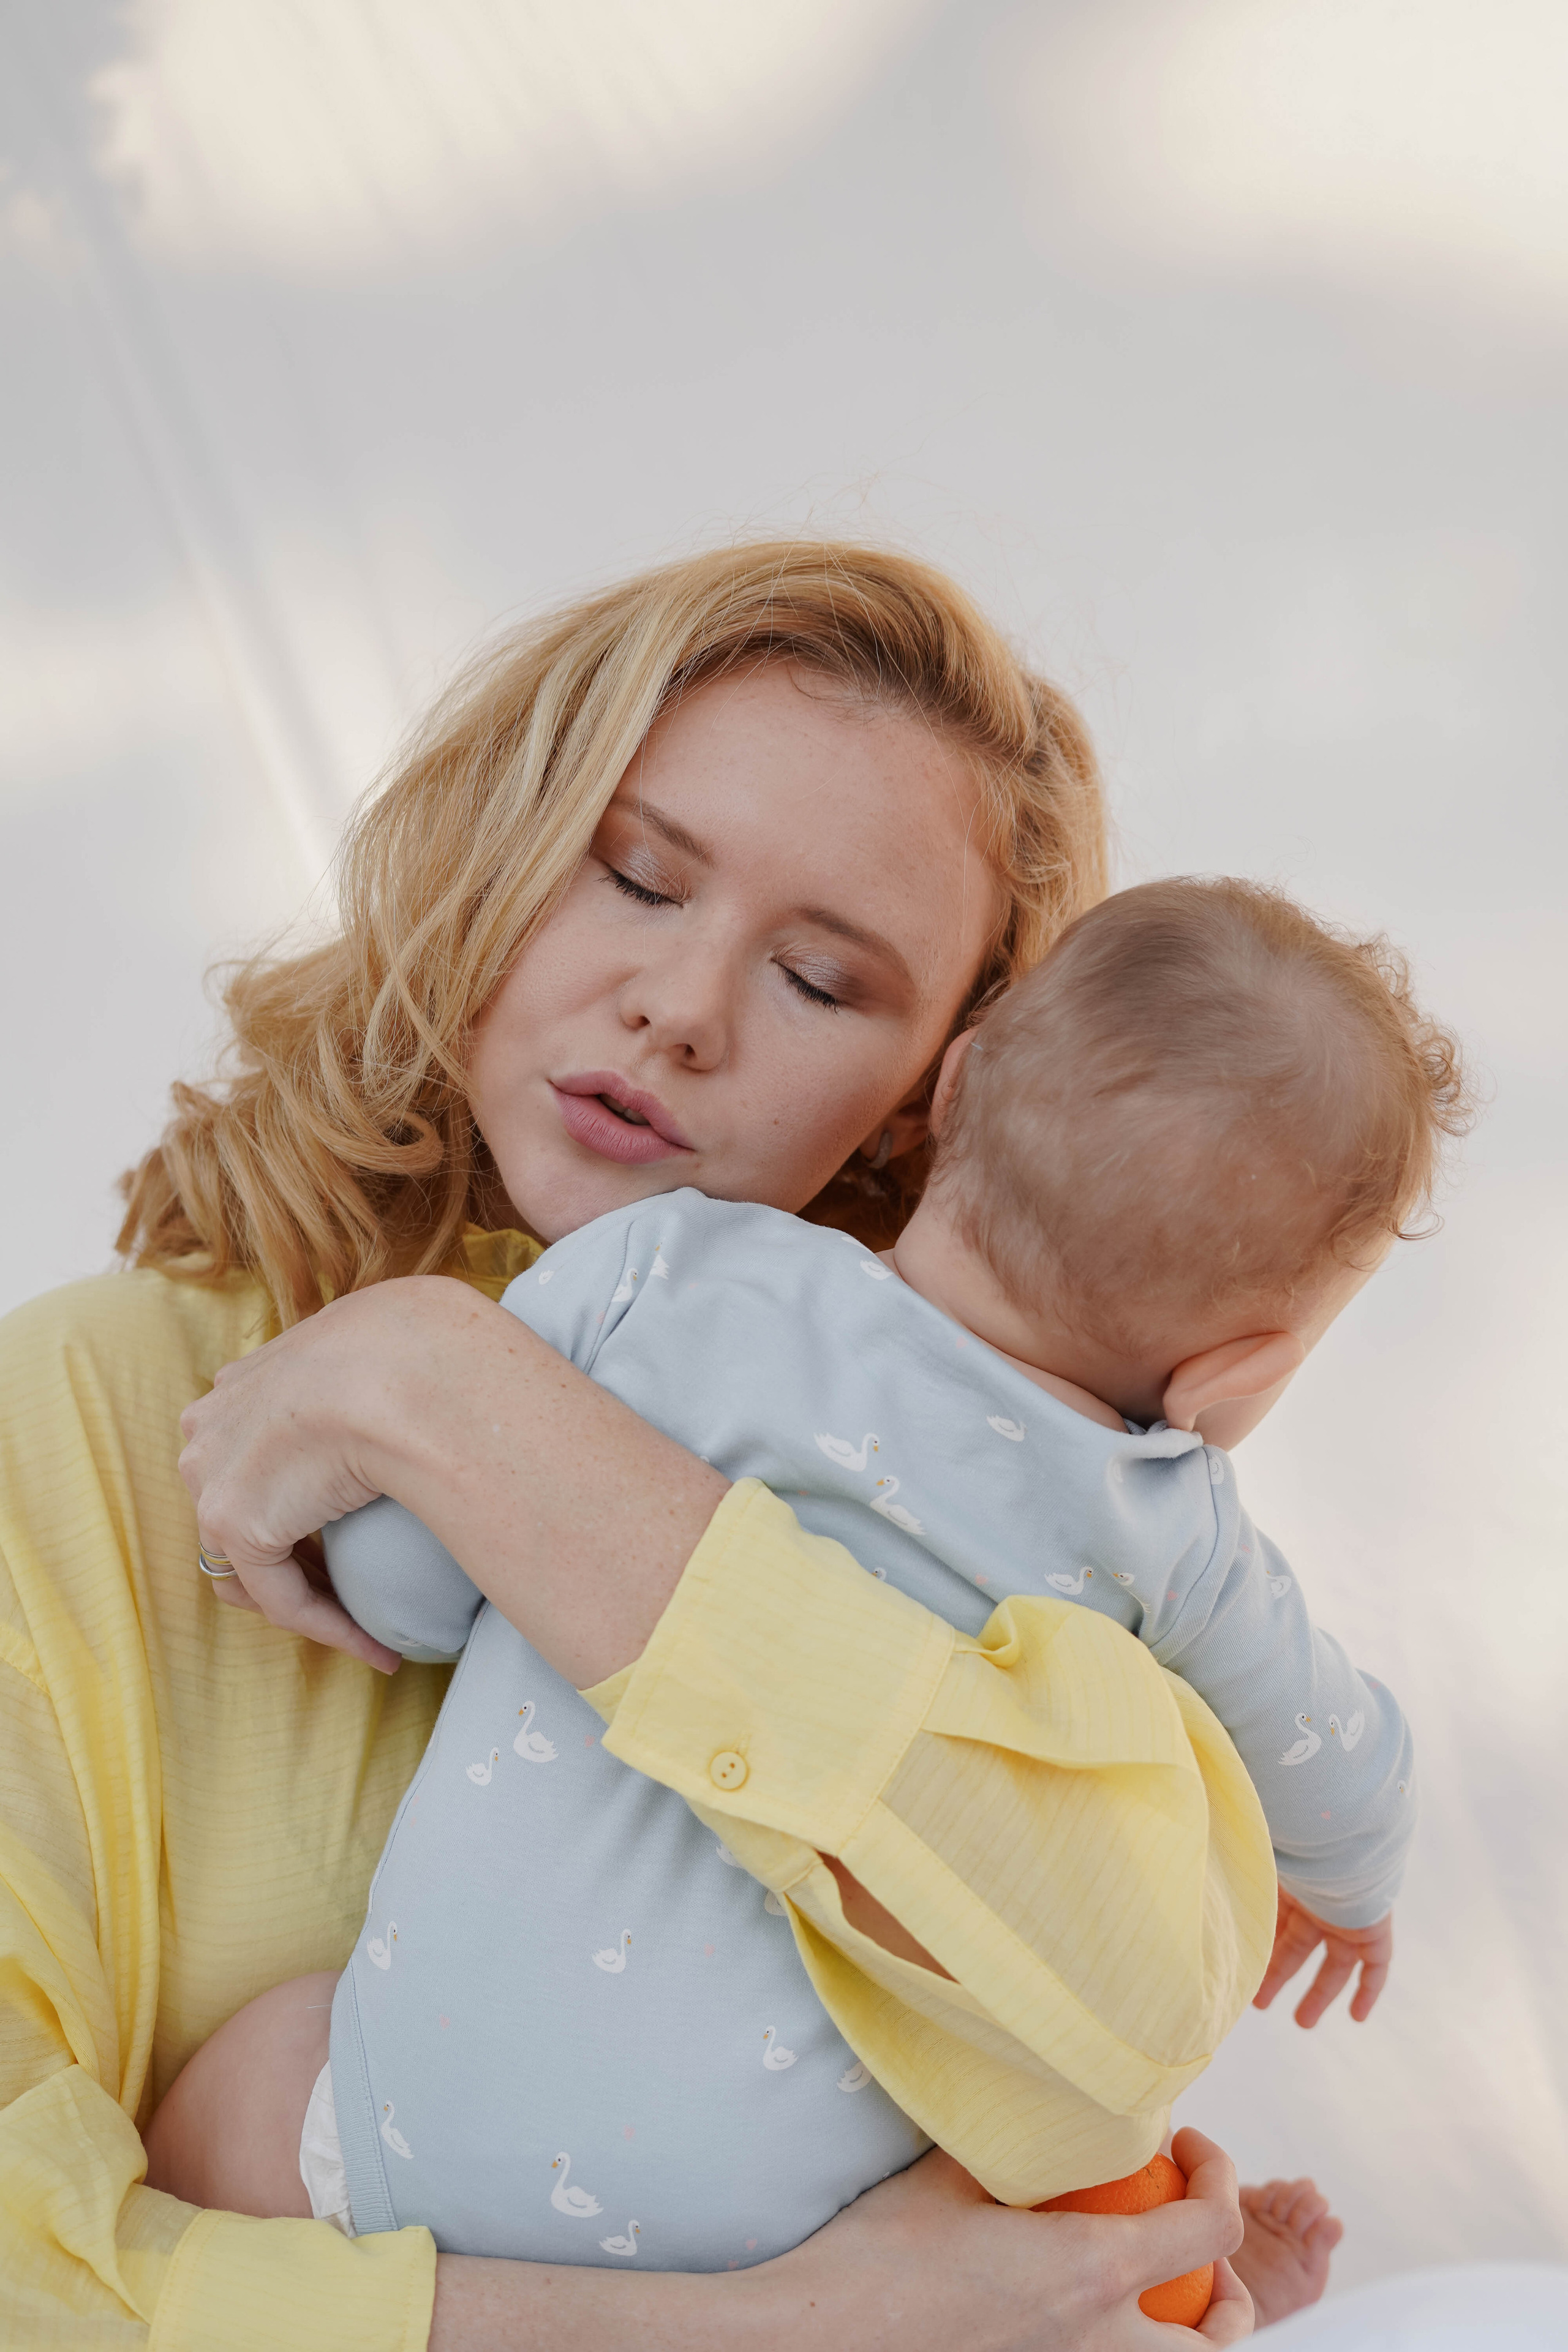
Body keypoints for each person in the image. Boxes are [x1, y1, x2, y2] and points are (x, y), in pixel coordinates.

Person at [0, 541, 1291, 2348]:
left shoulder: (985, 1490)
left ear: (942, 1097)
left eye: (823, 983)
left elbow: (1129, 2003)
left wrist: (463, 1397)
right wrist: (772, 2331)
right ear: (500, 845)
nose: (682, 1006)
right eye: (636, 875)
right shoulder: (81, 1408)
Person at [152, 875, 1461, 2284]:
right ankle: (1198, 2272)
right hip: (800, 2248)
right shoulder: (1168, 1528)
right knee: (1046, 2124)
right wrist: (1343, 1885)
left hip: (413, 2119)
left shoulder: (663, 1266)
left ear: (950, 1088)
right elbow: (1339, 1762)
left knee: (248, 2080)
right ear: (1239, 1372)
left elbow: (408, 1585)